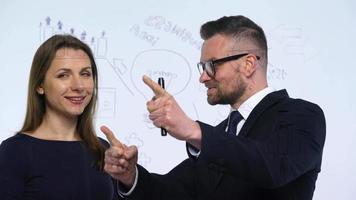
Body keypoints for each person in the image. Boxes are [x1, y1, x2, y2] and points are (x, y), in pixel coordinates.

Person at [103, 15, 326, 200]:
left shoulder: (302, 115)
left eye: (212, 65)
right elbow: (170, 192)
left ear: (248, 64)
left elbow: (273, 166)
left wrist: (193, 131)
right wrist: (130, 176)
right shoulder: (218, 136)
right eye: (202, 67)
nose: (203, 77)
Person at [0, 34, 119, 199]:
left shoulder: (101, 149)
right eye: (64, 75)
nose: (78, 86)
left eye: (85, 74)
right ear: (40, 85)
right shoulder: (14, 152)